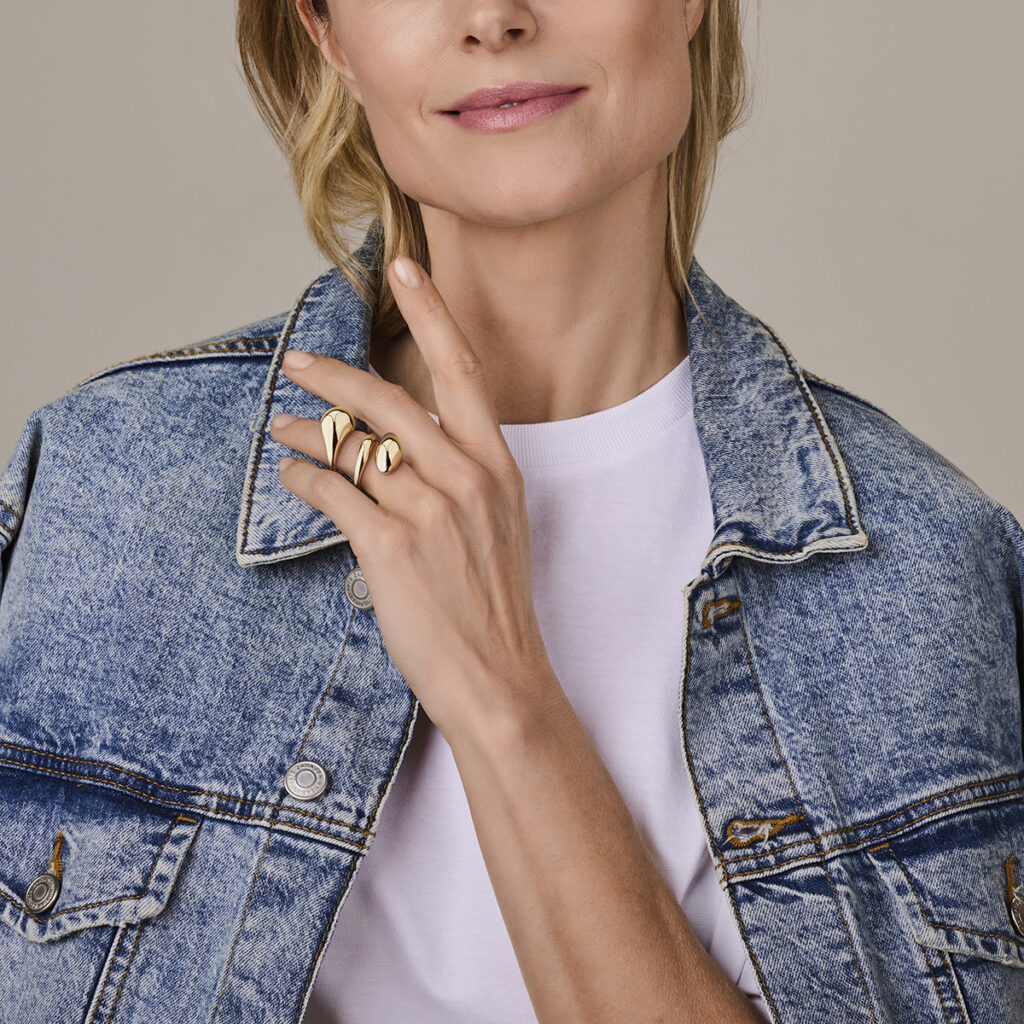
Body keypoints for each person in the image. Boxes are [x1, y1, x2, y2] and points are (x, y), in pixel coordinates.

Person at [2, 1, 1023, 1023]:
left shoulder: (934, 576)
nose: (494, 17)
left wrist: (504, 700)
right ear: (328, 35)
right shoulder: (100, 493)